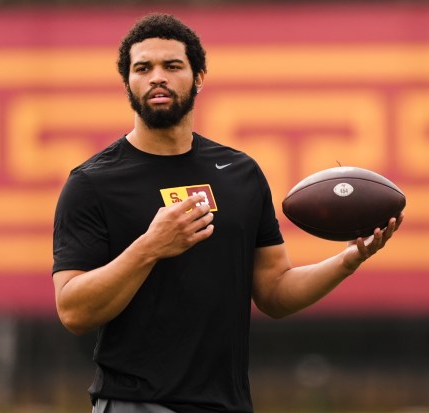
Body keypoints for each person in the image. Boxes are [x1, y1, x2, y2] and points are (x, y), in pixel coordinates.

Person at [52, 13, 403, 413]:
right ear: (128, 82)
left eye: (172, 66)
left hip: (226, 404)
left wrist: (347, 260)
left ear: (198, 76)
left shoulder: (240, 173)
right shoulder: (92, 183)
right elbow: (73, 310)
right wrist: (150, 247)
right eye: (142, 68)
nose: (156, 78)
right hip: (136, 403)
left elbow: (274, 292)